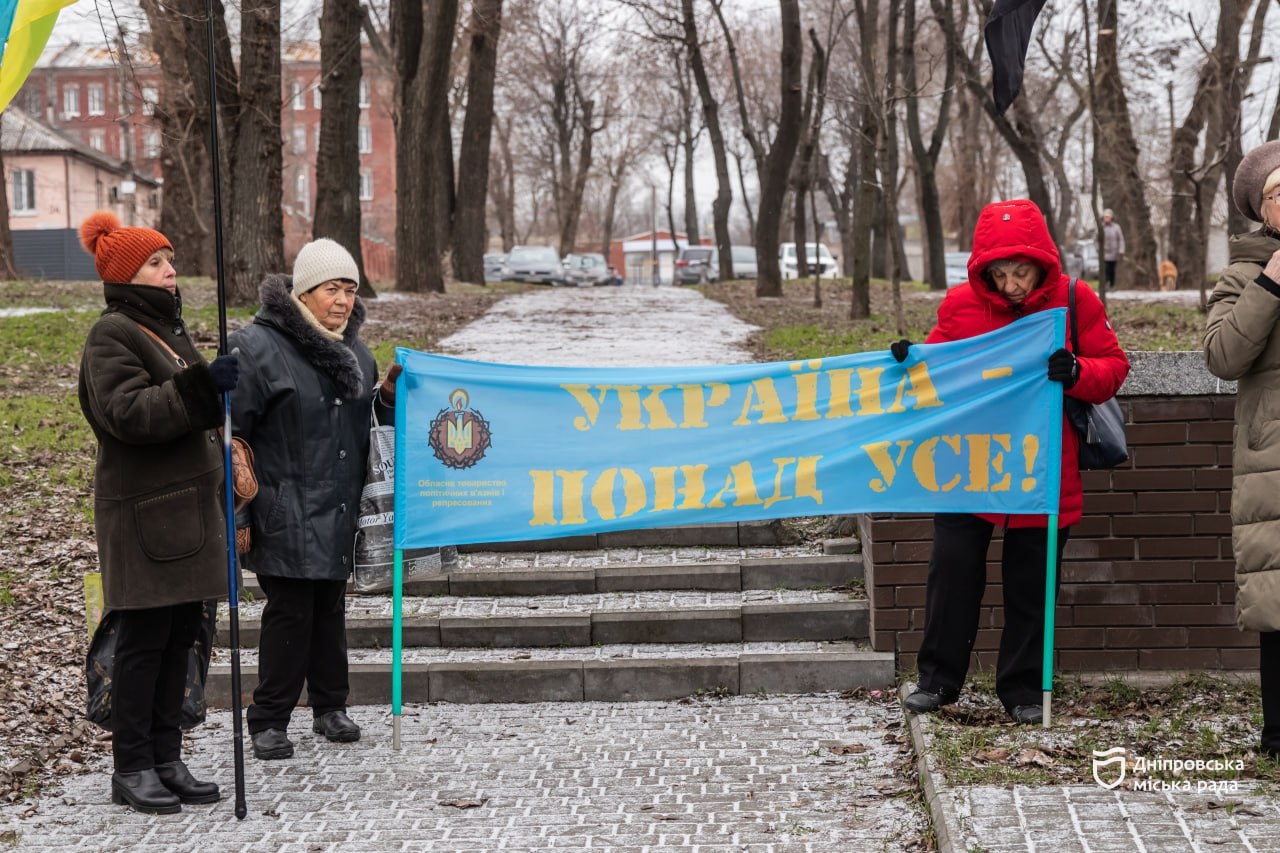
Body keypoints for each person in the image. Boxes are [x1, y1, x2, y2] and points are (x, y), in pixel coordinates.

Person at [892, 199, 1129, 724]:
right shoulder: (960, 307)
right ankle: (937, 681)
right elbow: (934, 374)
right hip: (970, 467)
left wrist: (1076, 372)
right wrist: (910, 362)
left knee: (1031, 584)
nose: (1011, 285)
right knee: (951, 574)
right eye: (999, 274)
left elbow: (1113, 367)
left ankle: (1022, 690)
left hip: (1044, 471)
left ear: (1042, 262)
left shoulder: (1074, 300)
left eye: (1020, 271)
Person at [76, 211, 239, 813]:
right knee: (143, 645)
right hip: (145, 519)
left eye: (171, 260)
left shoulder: (166, 329)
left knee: (179, 640)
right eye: (157, 262)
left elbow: (184, 404)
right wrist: (200, 387)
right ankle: (133, 765)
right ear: (128, 274)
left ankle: (168, 758)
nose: (172, 271)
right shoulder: (112, 334)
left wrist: (218, 387)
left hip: (189, 516)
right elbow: (127, 414)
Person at [229, 238, 397, 760]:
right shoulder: (256, 347)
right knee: (291, 612)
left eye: (350, 289)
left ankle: (330, 706)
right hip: (282, 508)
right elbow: (232, 435)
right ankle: (269, 718)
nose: (343, 300)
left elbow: (366, 430)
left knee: (330, 609)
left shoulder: (358, 354)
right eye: (332, 289)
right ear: (303, 292)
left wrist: (387, 400)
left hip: (338, 508)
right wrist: (239, 511)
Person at [1203, 139, 1280, 758]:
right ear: (1262, 209)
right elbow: (1224, 357)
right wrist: (1272, 283)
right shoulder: (1241, 275)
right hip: (1272, 455)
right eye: (1279, 192)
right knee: (1277, 596)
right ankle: (1278, 732)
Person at [1102, 208, 1125, 290]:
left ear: (1111, 217)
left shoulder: (1116, 227)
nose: (1106, 219)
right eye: (1105, 217)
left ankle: (1112, 285)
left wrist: (1121, 250)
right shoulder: (1101, 227)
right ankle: (1105, 284)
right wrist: (1098, 249)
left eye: (1108, 217)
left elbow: (1121, 239)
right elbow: (1095, 240)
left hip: (1114, 253)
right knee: (1105, 269)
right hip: (1104, 253)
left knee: (1112, 270)